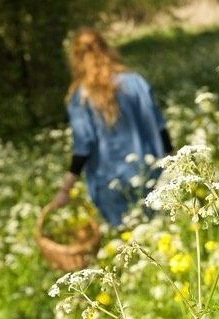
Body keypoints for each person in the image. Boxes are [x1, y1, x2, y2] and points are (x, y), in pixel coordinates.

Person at [51, 28, 173, 226]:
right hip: (150, 173)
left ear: (76, 59)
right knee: (159, 235)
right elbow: (161, 127)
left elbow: (83, 146)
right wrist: (174, 165)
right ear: (106, 48)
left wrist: (65, 189)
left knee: (129, 244)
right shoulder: (136, 82)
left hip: (110, 183)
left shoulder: (81, 97)